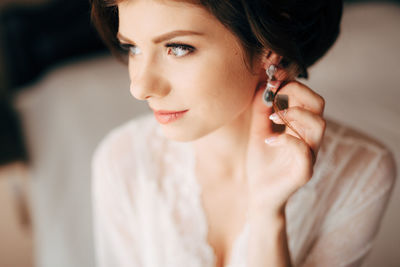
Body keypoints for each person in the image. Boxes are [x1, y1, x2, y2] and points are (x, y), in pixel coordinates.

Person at [89, 0, 397, 266]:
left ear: (269, 50)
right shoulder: (123, 161)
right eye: (132, 47)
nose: (139, 87)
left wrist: (267, 214)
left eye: (178, 48)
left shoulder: (361, 171)